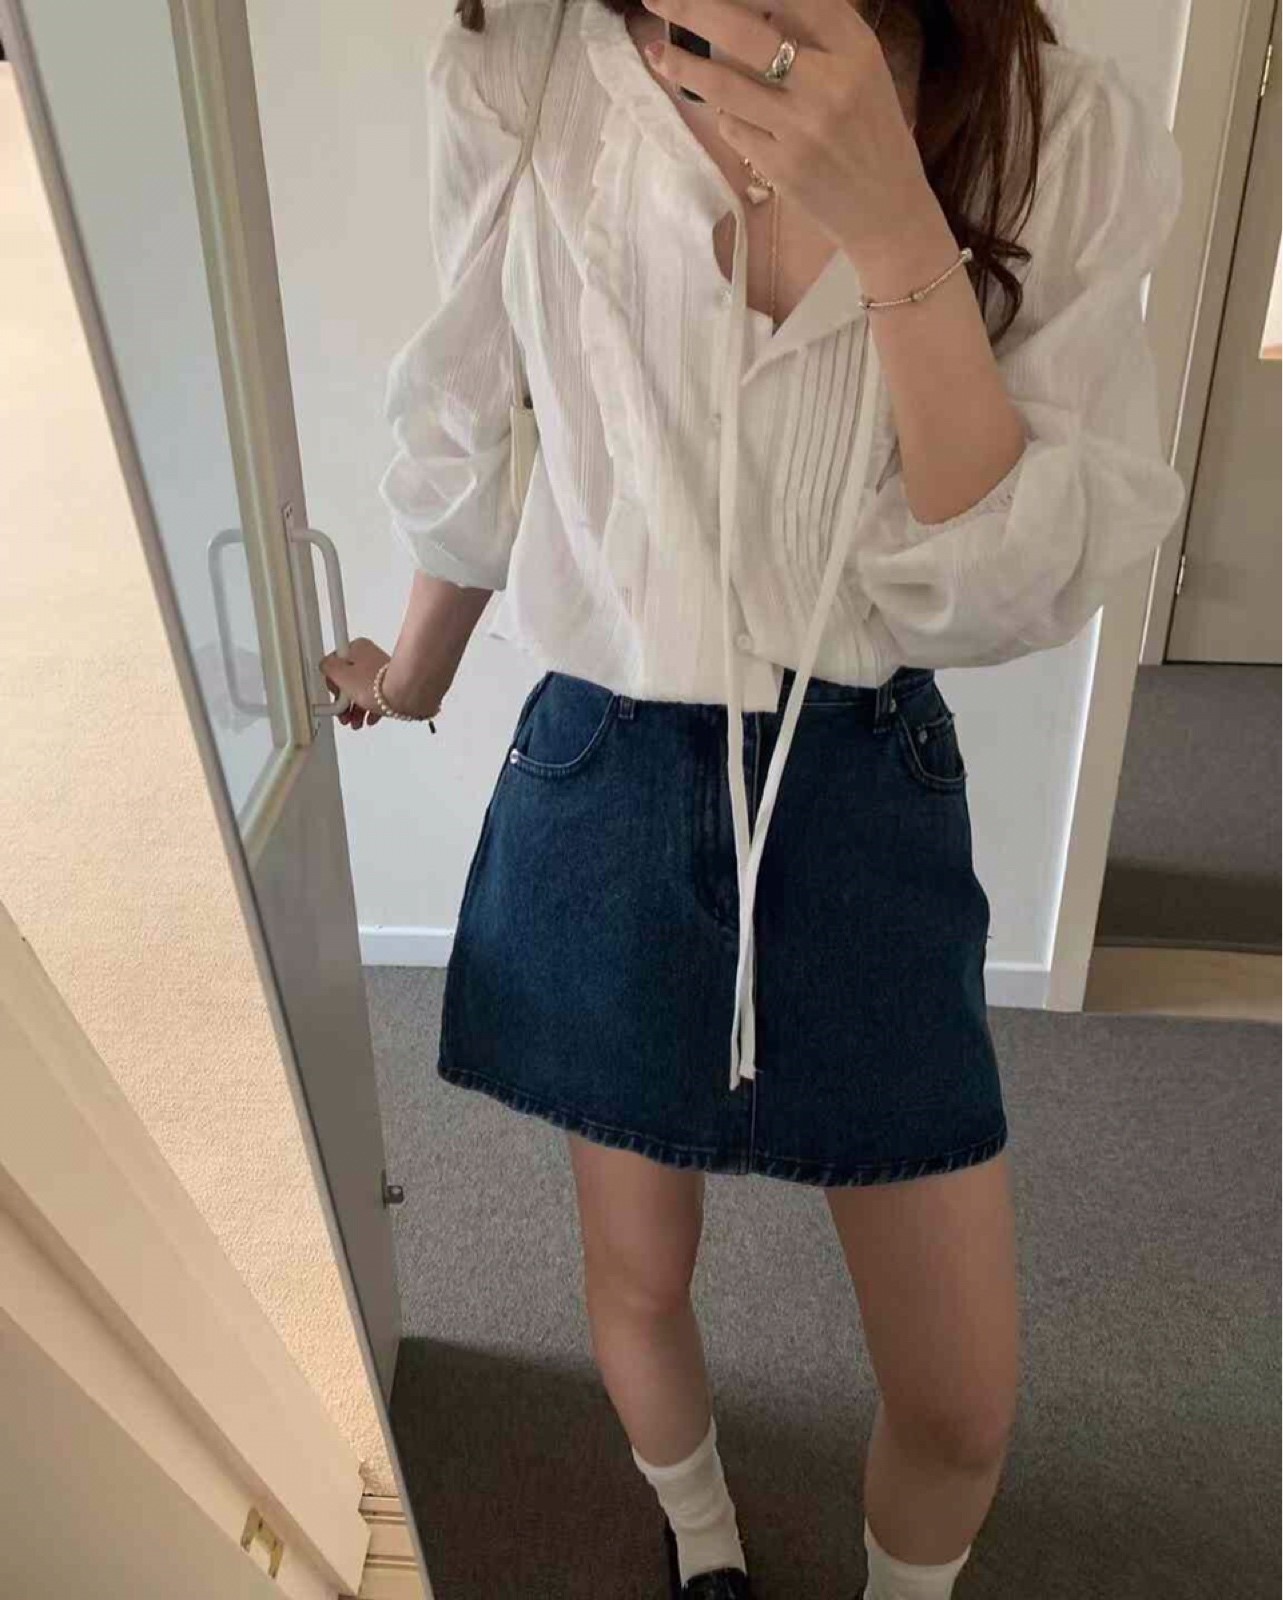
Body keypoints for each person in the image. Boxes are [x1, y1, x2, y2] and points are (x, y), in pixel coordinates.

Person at [321, 0, 1185, 1594]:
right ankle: (704, 1543)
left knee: (962, 1402)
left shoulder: (1052, 122)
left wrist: (896, 223)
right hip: (605, 773)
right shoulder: (525, 67)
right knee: (637, 1279)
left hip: (861, 783)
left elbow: (1005, 586)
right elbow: (477, 427)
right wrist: (416, 673)